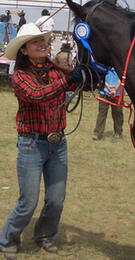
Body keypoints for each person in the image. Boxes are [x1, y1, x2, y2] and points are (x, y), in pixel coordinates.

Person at [0, 22, 87, 260]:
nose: (42, 44)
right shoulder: (20, 77)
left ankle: (44, 236)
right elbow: (37, 95)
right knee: (28, 201)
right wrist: (68, 81)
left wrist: (87, 73)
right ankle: (8, 238)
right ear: (24, 51)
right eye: (35, 41)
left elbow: (77, 86)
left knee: (56, 200)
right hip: (31, 145)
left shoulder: (57, 69)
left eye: (43, 40)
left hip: (58, 144)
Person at [93, 68, 124, 140]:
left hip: (118, 93)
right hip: (104, 92)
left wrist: (115, 89)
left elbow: (122, 77)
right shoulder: (104, 65)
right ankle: (98, 134)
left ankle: (118, 132)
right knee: (102, 113)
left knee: (118, 113)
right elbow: (100, 77)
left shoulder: (119, 64)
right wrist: (108, 86)